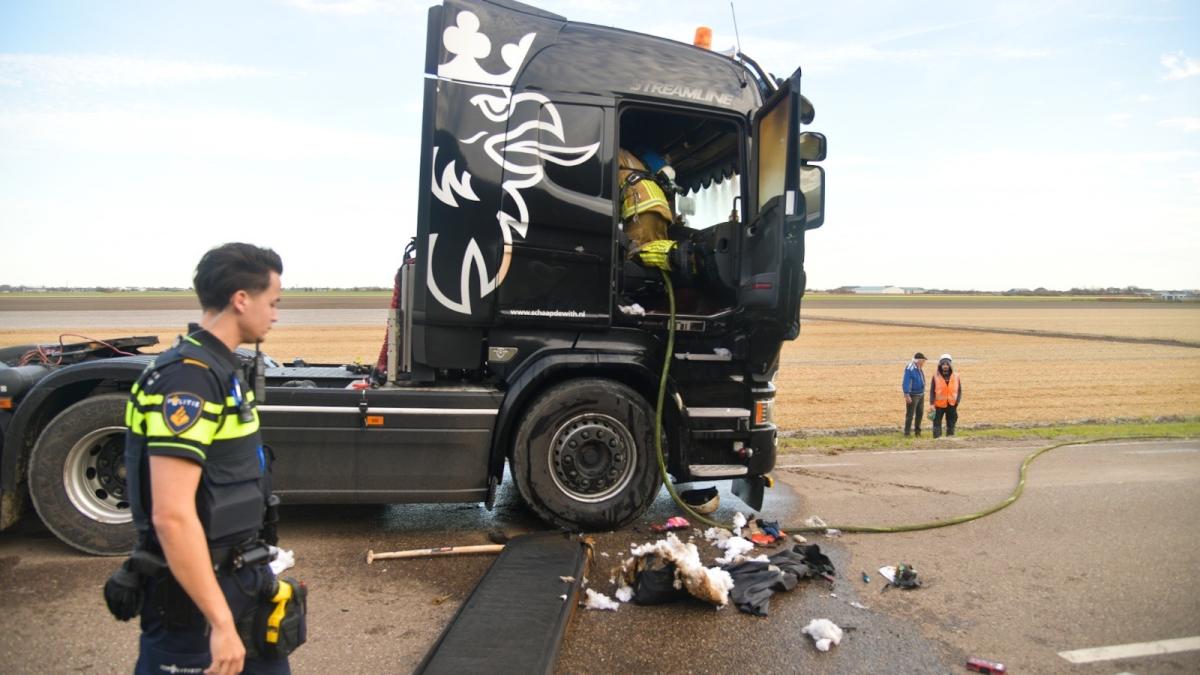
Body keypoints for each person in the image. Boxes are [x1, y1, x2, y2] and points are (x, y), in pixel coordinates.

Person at [124, 243, 289, 674]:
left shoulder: (222, 370)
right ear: (240, 300)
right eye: (272, 303)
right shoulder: (188, 379)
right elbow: (172, 515)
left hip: (241, 588)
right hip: (194, 613)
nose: (275, 314)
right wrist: (219, 622)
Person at [929, 353, 963, 438]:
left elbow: (959, 390)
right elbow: (932, 391)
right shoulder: (935, 376)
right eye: (943, 364)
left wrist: (957, 401)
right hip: (938, 405)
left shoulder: (956, 376)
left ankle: (950, 439)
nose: (945, 366)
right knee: (936, 423)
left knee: (951, 423)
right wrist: (932, 404)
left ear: (950, 365)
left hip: (952, 404)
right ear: (940, 365)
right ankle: (937, 439)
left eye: (947, 364)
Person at [901, 352, 927, 436]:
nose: (924, 362)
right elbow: (906, 382)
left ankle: (917, 432)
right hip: (913, 395)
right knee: (910, 415)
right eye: (923, 360)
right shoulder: (910, 368)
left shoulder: (919, 367)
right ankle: (907, 433)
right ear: (918, 360)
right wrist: (906, 394)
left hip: (921, 394)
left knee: (920, 413)